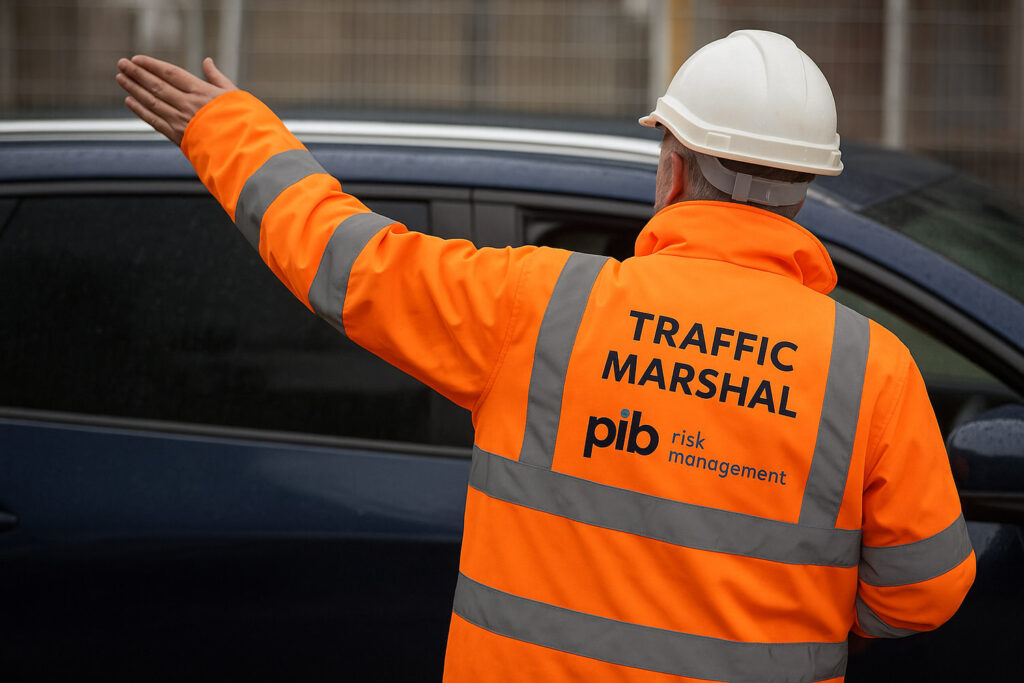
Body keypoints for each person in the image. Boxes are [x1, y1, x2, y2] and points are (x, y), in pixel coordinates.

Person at [116, 29, 974, 682]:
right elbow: (926, 589)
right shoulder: (872, 368)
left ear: (672, 172)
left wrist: (229, 133)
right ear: (805, 188)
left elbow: (347, 261)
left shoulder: (540, 306)